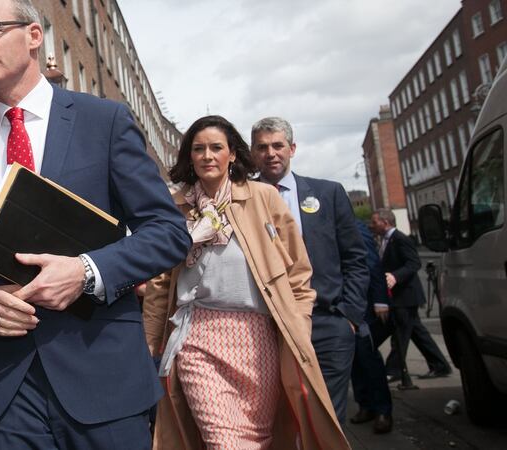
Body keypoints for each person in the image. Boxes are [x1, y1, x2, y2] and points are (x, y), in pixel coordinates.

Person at [0, 1, 191, 448]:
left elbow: (168, 232)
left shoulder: (104, 122)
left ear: (35, 36)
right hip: (5, 391)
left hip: (103, 380)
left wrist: (87, 271)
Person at [143, 115, 349, 449]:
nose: (208, 155)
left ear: (233, 154)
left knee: (259, 438)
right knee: (223, 440)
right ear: (189, 156)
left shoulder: (263, 198)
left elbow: (297, 269)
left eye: (216, 147)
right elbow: (160, 281)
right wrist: (150, 342)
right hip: (197, 335)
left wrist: (301, 323)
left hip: (257, 335)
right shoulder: (175, 207)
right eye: (199, 149)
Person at [250, 117, 368, 424]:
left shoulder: (328, 193)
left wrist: (349, 317)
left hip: (327, 324)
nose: (271, 153)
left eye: (278, 145)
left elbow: (355, 257)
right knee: (280, 420)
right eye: (262, 147)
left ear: (292, 149)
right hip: (267, 327)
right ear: (252, 153)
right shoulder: (242, 200)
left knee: (326, 419)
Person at [370, 209, 451, 384]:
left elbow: (414, 263)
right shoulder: (384, 241)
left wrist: (395, 276)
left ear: (385, 222)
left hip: (406, 296)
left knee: (400, 334)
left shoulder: (400, 239)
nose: (372, 225)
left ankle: (394, 369)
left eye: (374, 222)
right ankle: (439, 364)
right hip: (399, 297)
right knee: (417, 332)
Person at [349, 220, 393, 433]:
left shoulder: (355, 227)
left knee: (368, 358)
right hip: (344, 306)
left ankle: (383, 410)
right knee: (353, 360)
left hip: (364, 307)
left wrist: (380, 300)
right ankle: (365, 405)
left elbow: (374, 265)